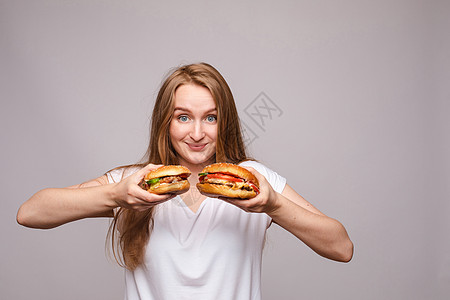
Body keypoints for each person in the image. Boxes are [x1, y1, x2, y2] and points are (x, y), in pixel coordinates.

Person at [17, 62, 353, 300]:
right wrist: (116, 194)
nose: (197, 133)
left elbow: (341, 247)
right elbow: (30, 213)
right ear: (165, 122)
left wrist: (274, 204)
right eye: (183, 117)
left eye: (211, 118)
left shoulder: (254, 182)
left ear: (226, 123)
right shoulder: (133, 183)